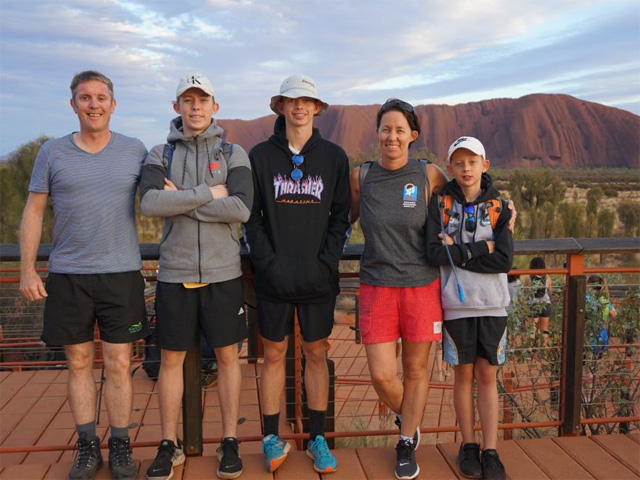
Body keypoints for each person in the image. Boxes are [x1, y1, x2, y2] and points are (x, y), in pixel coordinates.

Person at [19, 70, 148, 480]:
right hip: (69, 274)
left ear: (113, 104)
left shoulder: (135, 151)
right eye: (85, 97)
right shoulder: (52, 153)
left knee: (119, 361)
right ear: (73, 104)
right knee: (77, 363)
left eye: (101, 97)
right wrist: (26, 269)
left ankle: (122, 445)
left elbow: (163, 195)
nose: (94, 104)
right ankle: (87, 446)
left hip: (121, 272)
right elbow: (34, 211)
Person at [139, 73, 253, 480]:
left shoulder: (233, 152)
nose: (195, 107)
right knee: (171, 360)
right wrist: (209, 193)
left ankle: (229, 441)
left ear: (214, 106)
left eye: (202, 99)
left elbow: (241, 208)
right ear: (177, 108)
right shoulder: (159, 154)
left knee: (227, 358)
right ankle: (168, 444)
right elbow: (151, 203)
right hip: (175, 273)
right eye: (187, 100)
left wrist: (181, 200)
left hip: (223, 274)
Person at [244, 74, 350, 474]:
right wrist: (266, 262)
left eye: (307, 101)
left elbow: (341, 217)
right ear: (281, 107)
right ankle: (271, 437)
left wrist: (327, 261)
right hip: (273, 277)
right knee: (273, 355)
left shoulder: (335, 158)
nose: (300, 107)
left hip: (317, 277)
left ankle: (318, 439)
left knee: (316, 353)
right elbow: (250, 218)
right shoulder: (260, 156)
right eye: (292, 101)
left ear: (317, 108)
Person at [349, 98, 448, 480]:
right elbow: (345, 217)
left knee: (416, 369)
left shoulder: (429, 174)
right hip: (376, 285)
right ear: (377, 133)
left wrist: (502, 212)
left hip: (421, 285)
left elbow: (468, 190)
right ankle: (411, 420)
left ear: (413, 136)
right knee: (381, 375)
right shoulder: (362, 176)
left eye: (399, 130)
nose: (392, 136)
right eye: (386, 129)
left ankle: (405, 441)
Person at [427, 136, 513, 480]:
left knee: (487, 376)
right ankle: (468, 445)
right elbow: (433, 254)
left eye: (472, 162)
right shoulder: (440, 205)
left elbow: (504, 259)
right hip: (456, 307)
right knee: (462, 377)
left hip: (493, 305)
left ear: (484, 165)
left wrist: (459, 250)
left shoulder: (500, 207)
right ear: (450, 167)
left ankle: (490, 450)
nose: (466, 168)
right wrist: (483, 247)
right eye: (459, 163)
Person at [524, 257, 554, 346]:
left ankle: (529, 351)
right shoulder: (548, 278)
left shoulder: (528, 278)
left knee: (531, 330)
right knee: (544, 330)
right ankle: (544, 350)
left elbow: (526, 294)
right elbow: (550, 293)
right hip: (546, 304)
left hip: (533, 304)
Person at [586, 275, 617, 356]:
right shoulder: (604, 299)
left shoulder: (586, 298)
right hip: (602, 336)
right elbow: (614, 314)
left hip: (587, 336)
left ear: (589, 285)